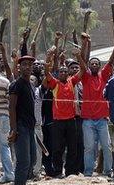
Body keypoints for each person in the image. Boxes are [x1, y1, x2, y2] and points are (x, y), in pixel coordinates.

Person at [76, 35, 114, 177]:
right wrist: (84, 44)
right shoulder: (86, 76)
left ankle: (108, 171)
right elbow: (81, 61)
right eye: (92, 64)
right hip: (87, 119)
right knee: (89, 148)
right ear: (89, 66)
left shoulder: (104, 75)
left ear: (99, 66)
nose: (94, 65)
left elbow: (112, 60)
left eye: (96, 64)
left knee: (106, 146)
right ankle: (88, 172)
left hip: (102, 119)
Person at [44, 47, 83, 177]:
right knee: (57, 149)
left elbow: (82, 70)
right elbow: (47, 73)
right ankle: (58, 171)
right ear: (58, 73)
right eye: (60, 71)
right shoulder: (54, 84)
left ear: (68, 73)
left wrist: (79, 57)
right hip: (58, 121)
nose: (63, 73)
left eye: (65, 71)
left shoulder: (72, 81)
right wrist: (48, 58)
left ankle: (70, 171)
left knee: (72, 148)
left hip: (71, 120)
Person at [8, 55, 37, 185]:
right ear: (19, 67)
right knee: (23, 161)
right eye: (24, 64)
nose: (27, 67)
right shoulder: (16, 85)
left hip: (30, 128)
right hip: (20, 127)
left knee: (32, 160)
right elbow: (11, 107)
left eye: (30, 65)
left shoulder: (30, 85)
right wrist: (13, 129)